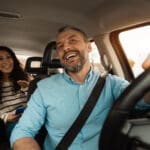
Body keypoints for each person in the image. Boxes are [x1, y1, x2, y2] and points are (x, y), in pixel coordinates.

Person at [10, 26, 150, 150]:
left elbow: (141, 102)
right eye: (60, 46)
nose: (65, 48)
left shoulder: (113, 84)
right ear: (58, 55)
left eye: (72, 41)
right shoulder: (43, 88)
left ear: (89, 47)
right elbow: (23, 131)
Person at [0, 46, 31, 141]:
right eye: (0, 59)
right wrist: (5, 117)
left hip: (31, 117)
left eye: (9, 57)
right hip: (12, 123)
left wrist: (27, 89)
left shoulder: (24, 77)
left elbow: (36, 102)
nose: (6, 62)